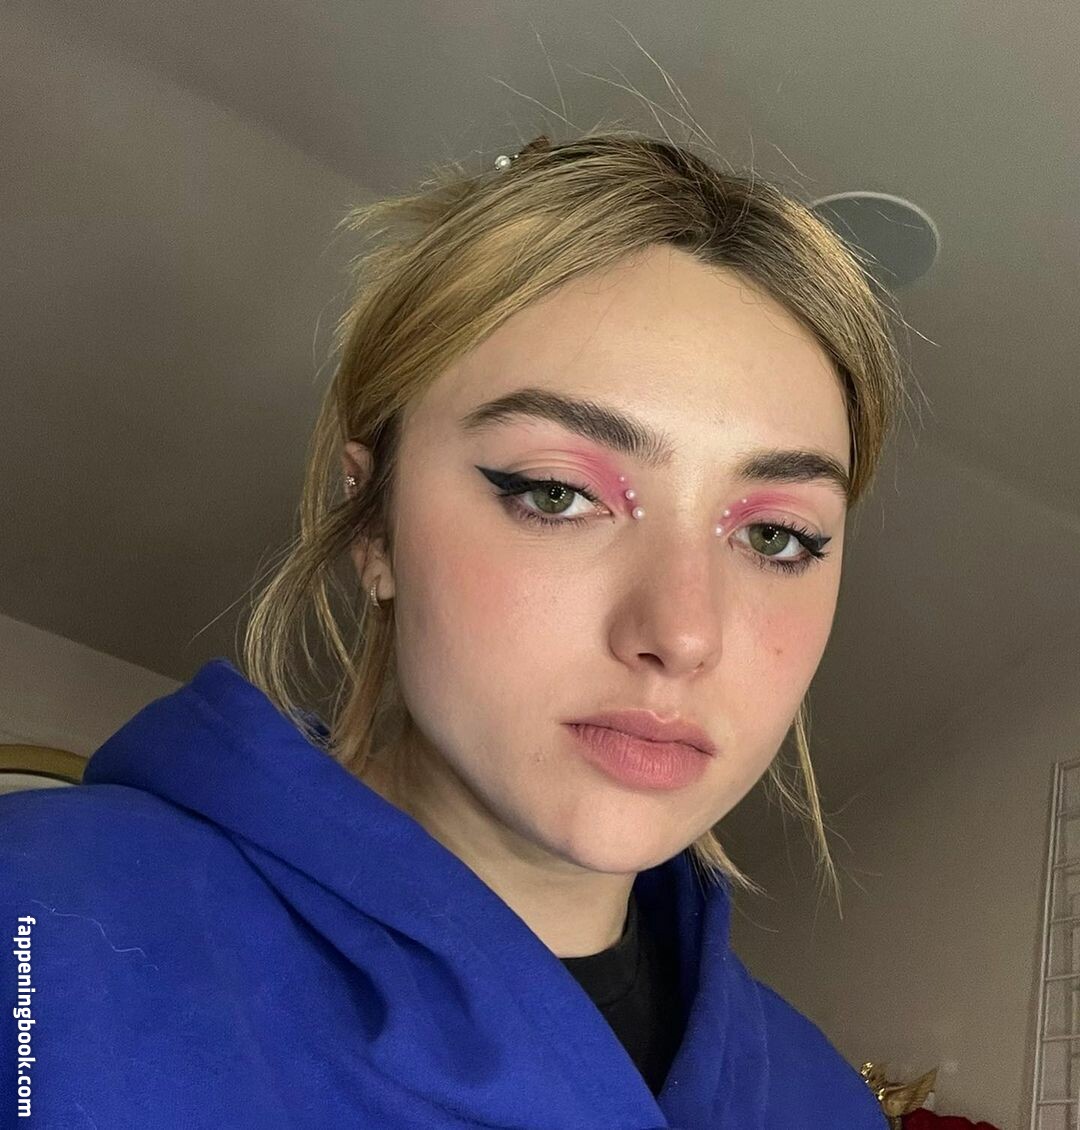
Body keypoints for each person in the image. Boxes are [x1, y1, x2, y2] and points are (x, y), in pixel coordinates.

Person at [2, 131, 904, 1128]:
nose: (682, 631)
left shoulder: (825, 1102)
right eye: (556, 492)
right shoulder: (38, 932)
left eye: (776, 535)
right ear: (372, 524)